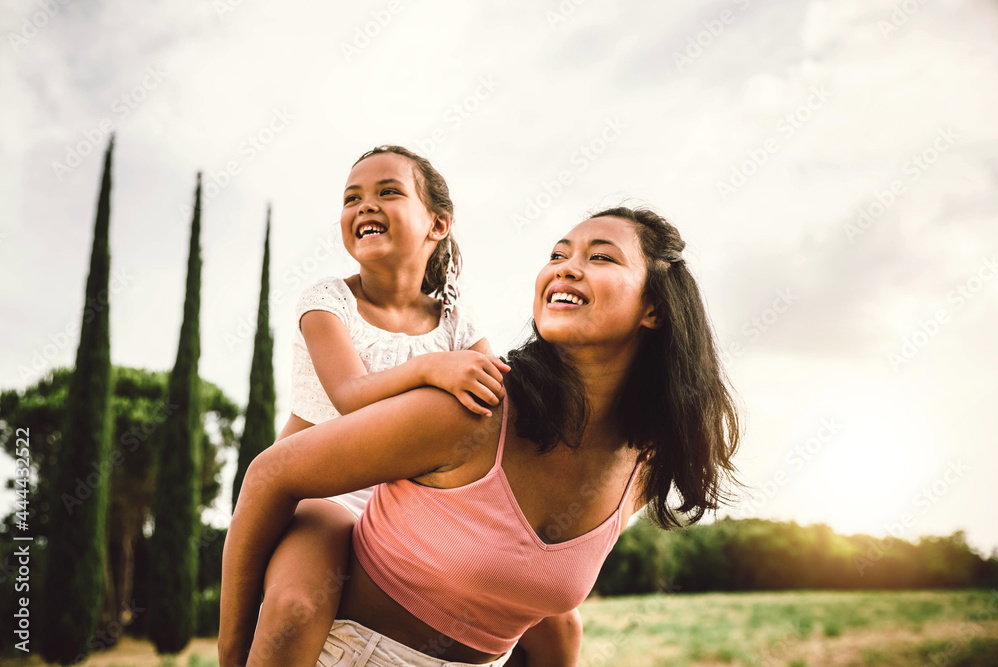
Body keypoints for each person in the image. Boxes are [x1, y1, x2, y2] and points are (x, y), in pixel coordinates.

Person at [220, 205, 741, 666]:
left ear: (656, 308)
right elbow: (271, 472)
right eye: (559, 254)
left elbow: (518, 583)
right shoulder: (474, 409)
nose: (566, 266)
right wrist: (232, 655)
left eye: (601, 258)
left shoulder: (642, 467)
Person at [225, 145, 582, 666]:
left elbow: (505, 407)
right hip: (323, 491)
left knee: (562, 626)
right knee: (297, 605)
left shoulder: (457, 320)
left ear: (438, 224)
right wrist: (430, 368)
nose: (364, 206)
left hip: (419, 502)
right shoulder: (327, 303)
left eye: (387, 192)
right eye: (352, 198)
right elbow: (350, 398)